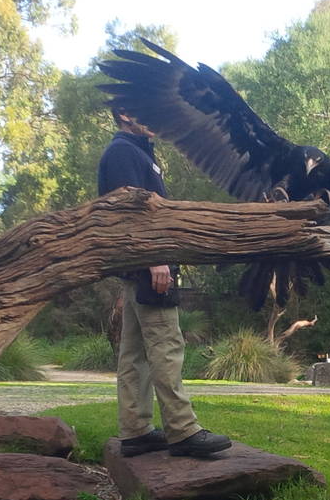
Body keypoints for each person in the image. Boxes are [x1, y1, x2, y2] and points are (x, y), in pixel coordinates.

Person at [98, 108, 231, 458]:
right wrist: (155, 259)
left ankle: (136, 431)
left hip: (137, 269)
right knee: (166, 348)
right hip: (148, 268)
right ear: (125, 113)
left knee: (134, 354)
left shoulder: (135, 151)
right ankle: (183, 430)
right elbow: (129, 212)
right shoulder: (124, 152)